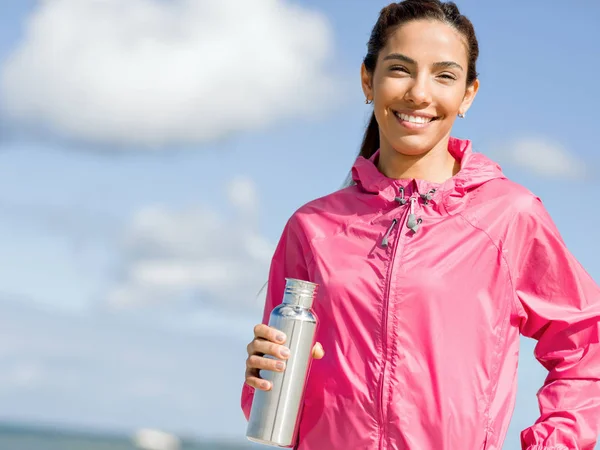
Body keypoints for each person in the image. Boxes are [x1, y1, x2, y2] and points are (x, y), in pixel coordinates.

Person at [241, 1, 600, 449]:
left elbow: (587, 343)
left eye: (444, 75)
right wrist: (262, 375)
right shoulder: (312, 228)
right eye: (400, 70)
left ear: (468, 95)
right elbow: (275, 407)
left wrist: (555, 443)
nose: (419, 92)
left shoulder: (509, 215)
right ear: (368, 80)